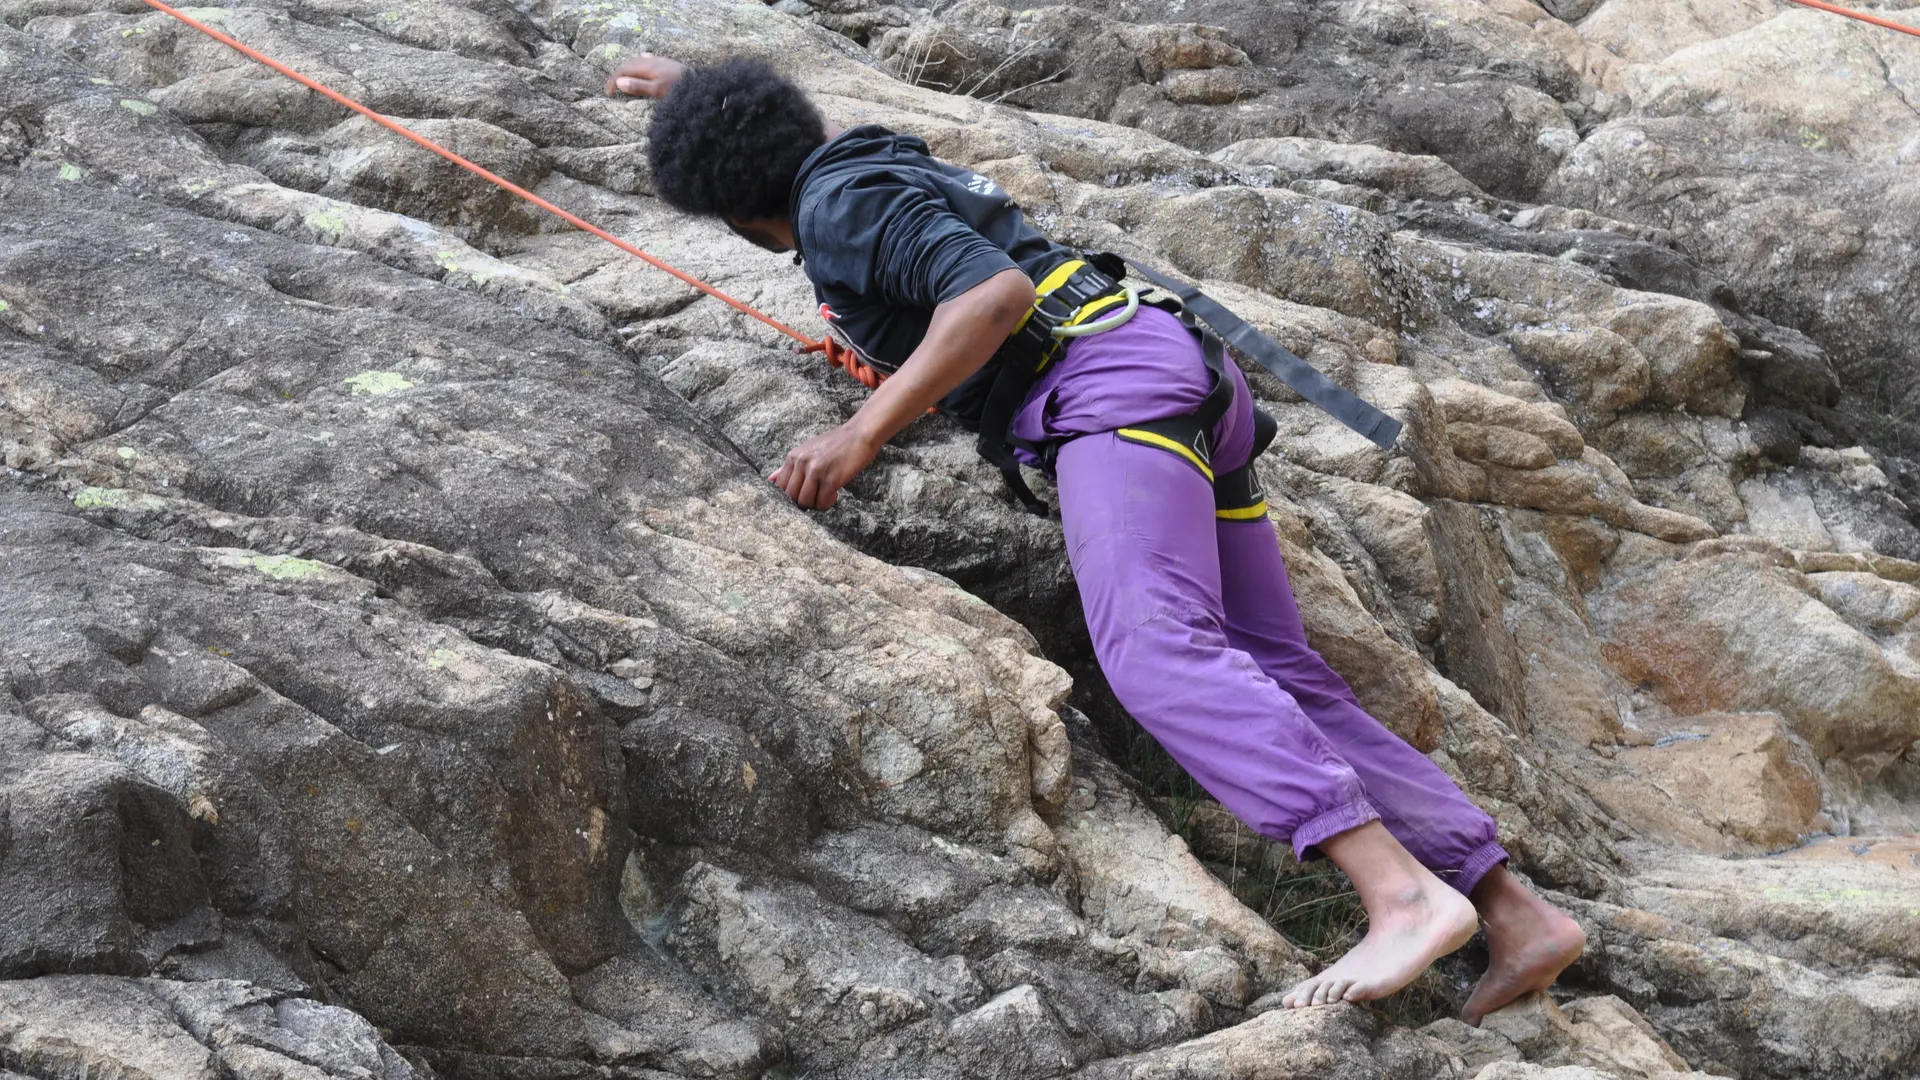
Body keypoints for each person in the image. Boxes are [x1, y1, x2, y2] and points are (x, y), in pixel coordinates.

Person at [610, 54, 1585, 1021]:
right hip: (1178, 376)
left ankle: (1404, 896)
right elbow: (817, 179)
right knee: (1272, 666)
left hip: (1119, 401)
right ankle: (1516, 914)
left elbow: (993, 299)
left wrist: (863, 429)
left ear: (737, 217)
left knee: (1158, 653)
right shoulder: (857, 165)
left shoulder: (833, 211)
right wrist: (694, 95)